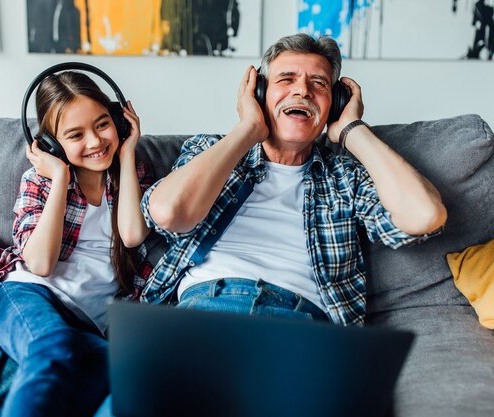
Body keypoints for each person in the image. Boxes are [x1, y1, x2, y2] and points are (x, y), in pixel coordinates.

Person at [139, 33, 448, 326]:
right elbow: (169, 213)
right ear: (259, 94)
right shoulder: (210, 151)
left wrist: (353, 129)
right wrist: (247, 129)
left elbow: (425, 215)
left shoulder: (345, 178)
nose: (302, 91)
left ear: (334, 104)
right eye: (286, 79)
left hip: (301, 326)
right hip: (206, 311)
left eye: (319, 83)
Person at [0, 70, 152, 416]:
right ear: (53, 144)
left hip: (89, 320)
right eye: (75, 135)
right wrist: (59, 177)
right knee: (54, 348)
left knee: (117, 376)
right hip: (29, 294)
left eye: (103, 124)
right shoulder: (38, 182)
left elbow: (132, 234)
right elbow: (40, 263)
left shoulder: (130, 176)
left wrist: (129, 150)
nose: (95, 142)